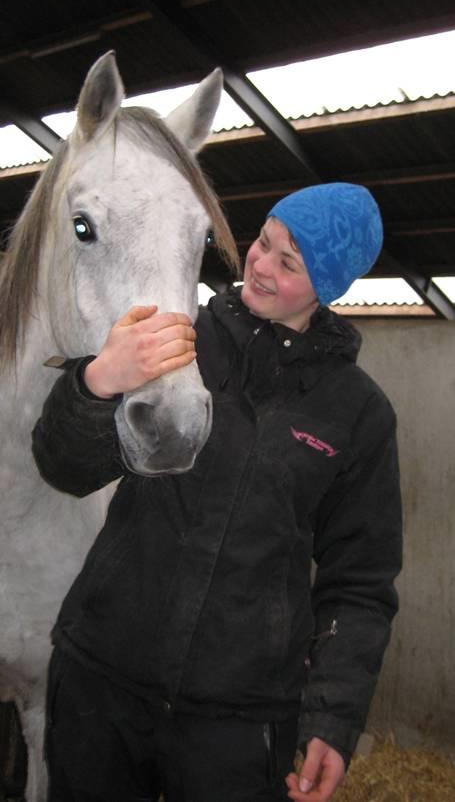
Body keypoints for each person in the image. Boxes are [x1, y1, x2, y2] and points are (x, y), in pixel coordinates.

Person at [32, 182, 402, 802]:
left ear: (328, 288)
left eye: (288, 263)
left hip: (239, 721)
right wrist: (96, 383)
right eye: (263, 241)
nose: (258, 265)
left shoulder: (358, 414)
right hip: (103, 681)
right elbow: (64, 467)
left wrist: (333, 721)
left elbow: (359, 582)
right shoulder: (178, 336)